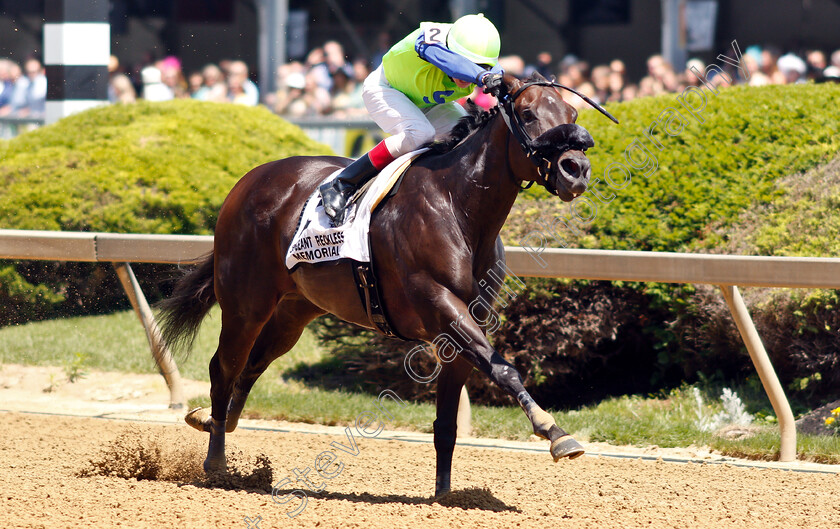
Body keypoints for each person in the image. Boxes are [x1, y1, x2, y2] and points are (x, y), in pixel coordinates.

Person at [319, 13, 504, 224]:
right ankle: (343, 182)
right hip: (385, 89)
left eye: (480, 64)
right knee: (420, 133)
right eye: (468, 63)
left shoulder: (485, 64)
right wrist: (481, 75)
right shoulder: (431, 40)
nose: (467, 76)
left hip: (426, 104)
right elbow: (453, 63)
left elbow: (499, 73)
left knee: (472, 135)